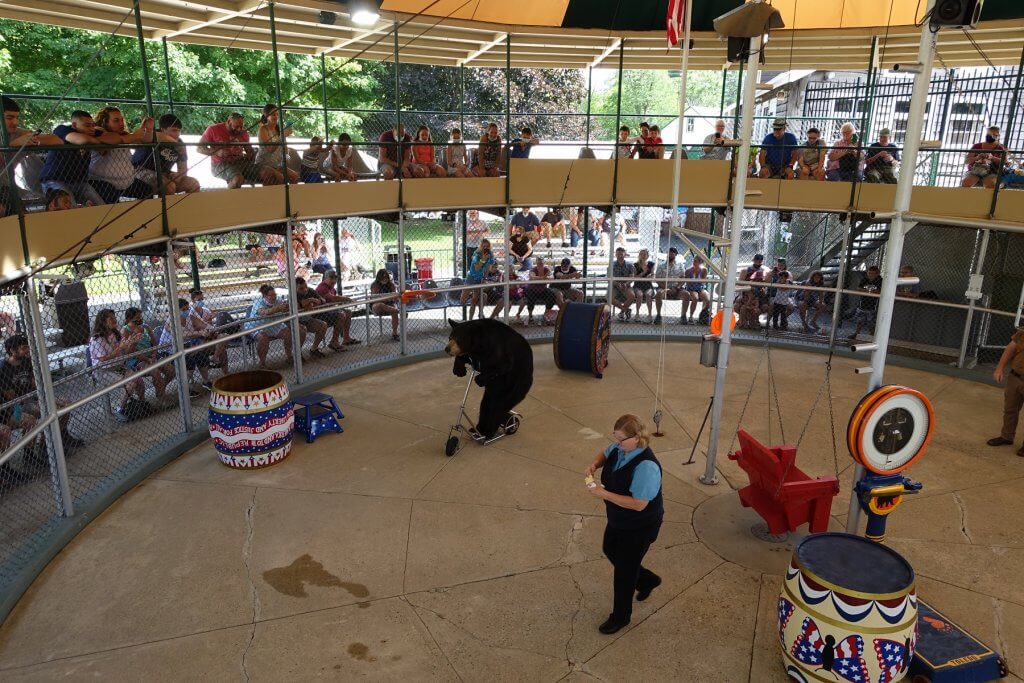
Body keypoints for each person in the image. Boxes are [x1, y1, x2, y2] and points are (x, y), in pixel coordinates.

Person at [585, 413, 663, 635]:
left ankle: (621, 617)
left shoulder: (646, 467)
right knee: (609, 549)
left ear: (636, 438)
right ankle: (648, 580)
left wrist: (603, 493)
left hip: (640, 525)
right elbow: (605, 453)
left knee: (624, 574)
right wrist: (594, 465)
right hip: (620, 519)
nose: (617, 444)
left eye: (621, 440)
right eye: (616, 438)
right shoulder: (620, 449)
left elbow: (639, 504)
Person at [40, 110, 148, 207]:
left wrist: (94, 140)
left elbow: (116, 138)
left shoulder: (92, 133)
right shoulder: (62, 129)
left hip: (79, 182)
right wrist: (97, 141)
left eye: (92, 125)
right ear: (74, 125)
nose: (91, 128)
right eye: (87, 125)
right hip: (55, 179)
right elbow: (81, 140)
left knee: (101, 206)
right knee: (69, 207)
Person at [0, 334, 83, 451]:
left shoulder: (27, 361)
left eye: (27, 347)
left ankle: (58, 439)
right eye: (24, 348)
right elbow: (11, 397)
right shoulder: (4, 368)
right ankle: (45, 448)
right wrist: (38, 401)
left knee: (65, 403)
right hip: (17, 406)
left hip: (32, 398)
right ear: (12, 350)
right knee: (46, 410)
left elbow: (35, 385)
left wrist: (44, 398)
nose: (27, 350)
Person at [87, 106, 158, 203]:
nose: (121, 123)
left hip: (127, 181)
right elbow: (107, 144)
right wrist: (134, 136)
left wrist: (148, 130)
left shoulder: (124, 135)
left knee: (147, 191)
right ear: (105, 122)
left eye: (121, 120)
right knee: (111, 198)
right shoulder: (98, 132)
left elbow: (143, 142)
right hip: (103, 182)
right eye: (116, 120)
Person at [90, 308, 147, 420]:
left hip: (118, 366)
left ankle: (142, 404)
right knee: (131, 383)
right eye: (110, 318)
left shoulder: (114, 333)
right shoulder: (97, 338)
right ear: (103, 321)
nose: (114, 320)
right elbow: (103, 359)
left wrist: (130, 343)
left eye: (114, 317)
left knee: (139, 381)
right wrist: (120, 348)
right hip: (103, 371)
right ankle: (120, 409)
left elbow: (123, 352)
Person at [2, 97, 62, 200]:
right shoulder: (17, 137)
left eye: (17, 117)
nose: (15, 122)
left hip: (8, 189)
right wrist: (14, 144)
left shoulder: (18, 133)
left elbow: (57, 140)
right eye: (9, 118)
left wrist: (34, 139)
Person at [131, 113, 199, 196]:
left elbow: (183, 168)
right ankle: (165, 208)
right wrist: (173, 141)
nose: (178, 134)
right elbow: (146, 136)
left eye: (179, 130)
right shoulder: (154, 135)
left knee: (193, 184)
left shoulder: (180, 144)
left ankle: (190, 208)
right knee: (169, 186)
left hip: (164, 173)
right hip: (139, 171)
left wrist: (178, 175)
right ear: (163, 129)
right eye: (174, 130)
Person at [244, 284, 305, 368]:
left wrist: (286, 307)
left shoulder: (278, 300)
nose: (274, 297)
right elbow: (264, 312)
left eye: (275, 294)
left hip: (274, 324)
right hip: (257, 326)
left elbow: (284, 309)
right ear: (265, 296)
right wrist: (278, 308)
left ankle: (289, 357)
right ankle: (262, 363)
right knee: (263, 338)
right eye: (271, 295)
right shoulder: (259, 302)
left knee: (288, 333)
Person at [197, 113, 264, 189]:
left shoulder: (243, 133)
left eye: (241, 127)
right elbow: (199, 148)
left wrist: (251, 153)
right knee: (237, 179)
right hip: (219, 164)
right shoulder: (213, 129)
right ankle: (227, 199)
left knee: (267, 173)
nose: (239, 129)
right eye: (236, 126)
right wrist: (217, 152)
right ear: (229, 121)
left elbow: (249, 152)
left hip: (241, 162)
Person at [121, 307, 172, 404]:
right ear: (129, 319)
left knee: (171, 371)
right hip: (136, 360)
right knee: (156, 373)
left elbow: (154, 343)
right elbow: (130, 351)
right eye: (137, 318)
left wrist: (153, 355)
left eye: (140, 317)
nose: (140, 319)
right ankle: (162, 396)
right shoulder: (126, 330)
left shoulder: (145, 327)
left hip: (150, 357)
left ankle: (160, 389)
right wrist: (146, 359)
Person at [987, 325, 1024, 457]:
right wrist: (999, 368)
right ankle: (1007, 436)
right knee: (1010, 409)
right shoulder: (1022, 332)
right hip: (1016, 377)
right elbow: (1011, 348)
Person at [315, 269, 361, 346]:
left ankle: (346, 338)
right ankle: (334, 341)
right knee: (341, 314)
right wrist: (347, 299)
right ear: (325, 278)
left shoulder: (332, 288)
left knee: (348, 312)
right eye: (331, 278)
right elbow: (333, 298)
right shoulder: (322, 287)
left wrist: (344, 303)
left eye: (335, 278)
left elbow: (335, 302)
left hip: (329, 312)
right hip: (320, 314)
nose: (334, 280)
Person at [255, 104, 298, 185]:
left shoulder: (279, 129)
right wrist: (282, 136)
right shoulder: (263, 129)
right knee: (279, 178)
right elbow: (270, 149)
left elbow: (285, 149)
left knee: (294, 176)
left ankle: (290, 196)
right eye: (273, 114)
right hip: (264, 164)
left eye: (277, 114)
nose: (276, 116)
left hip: (277, 164)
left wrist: (286, 157)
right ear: (266, 115)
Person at [189, 289, 229, 373]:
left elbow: (211, 325)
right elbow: (194, 328)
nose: (201, 301)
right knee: (222, 350)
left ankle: (215, 358)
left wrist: (207, 325)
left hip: (209, 337)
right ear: (193, 300)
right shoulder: (190, 312)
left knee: (224, 337)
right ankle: (215, 358)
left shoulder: (206, 310)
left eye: (202, 299)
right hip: (198, 339)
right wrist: (205, 326)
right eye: (199, 300)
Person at [293, 277, 333, 356]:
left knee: (323, 325)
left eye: (305, 287)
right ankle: (297, 354)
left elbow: (322, 300)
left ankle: (313, 349)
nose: (305, 290)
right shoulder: (293, 294)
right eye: (301, 288)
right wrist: (311, 300)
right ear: (295, 288)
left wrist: (314, 301)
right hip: (296, 321)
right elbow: (300, 305)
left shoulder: (310, 290)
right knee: (302, 330)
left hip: (307, 319)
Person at [518, 256, 557, 325]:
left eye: (541, 262)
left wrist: (539, 278)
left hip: (543, 289)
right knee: (530, 297)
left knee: (552, 295)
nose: (540, 263)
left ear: (544, 262)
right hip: (532, 289)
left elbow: (551, 278)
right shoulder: (533, 269)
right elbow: (533, 278)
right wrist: (544, 277)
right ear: (536, 262)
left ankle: (546, 314)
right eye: (539, 262)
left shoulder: (546, 269)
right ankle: (530, 315)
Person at [463, 239, 495, 320]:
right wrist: (483, 259)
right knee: (462, 301)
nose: (486, 248)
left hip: (479, 279)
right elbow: (477, 268)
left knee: (474, 300)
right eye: (484, 246)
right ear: (481, 246)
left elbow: (488, 267)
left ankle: (470, 319)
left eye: (487, 246)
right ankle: (469, 295)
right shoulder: (476, 254)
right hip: (471, 278)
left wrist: (484, 277)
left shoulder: (490, 254)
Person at [849, 265, 882, 340]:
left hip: (874, 305)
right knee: (860, 320)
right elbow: (858, 288)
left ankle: (872, 336)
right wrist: (868, 291)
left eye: (873, 274)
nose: (871, 275)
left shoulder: (880, 280)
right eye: (869, 273)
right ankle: (857, 334)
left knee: (871, 322)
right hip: (863, 303)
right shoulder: (865, 279)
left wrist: (868, 291)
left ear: (877, 274)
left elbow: (879, 291)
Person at [654, 247, 685, 325]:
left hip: (676, 288)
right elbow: (657, 278)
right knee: (658, 294)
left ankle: (683, 316)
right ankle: (658, 315)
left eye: (672, 254)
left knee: (687, 295)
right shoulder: (661, 265)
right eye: (669, 253)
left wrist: (677, 287)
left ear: (675, 255)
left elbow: (683, 278)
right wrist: (665, 288)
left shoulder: (680, 265)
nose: (670, 255)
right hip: (664, 287)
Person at [370, 268, 401, 341]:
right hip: (377, 305)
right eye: (382, 277)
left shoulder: (391, 285)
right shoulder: (375, 285)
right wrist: (387, 298)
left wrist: (389, 298)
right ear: (379, 278)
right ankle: (399, 311)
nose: (385, 279)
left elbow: (395, 297)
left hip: (390, 304)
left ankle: (394, 334)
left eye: (386, 277)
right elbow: (376, 299)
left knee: (394, 311)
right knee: (381, 305)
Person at [682, 253, 710, 324]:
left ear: (701, 262)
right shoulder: (688, 270)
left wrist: (696, 281)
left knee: (708, 299)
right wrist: (697, 281)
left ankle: (703, 316)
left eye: (696, 261)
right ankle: (691, 316)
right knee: (695, 298)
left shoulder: (704, 270)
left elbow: (703, 283)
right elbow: (688, 283)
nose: (694, 263)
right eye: (694, 261)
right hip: (691, 288)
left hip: (700, 288)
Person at [610, 247, 635, 321]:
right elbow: (609, 277)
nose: (620, 256)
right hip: (614, 285)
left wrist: (626, 284)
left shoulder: (630, 265)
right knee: (608, 297)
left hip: (626, 286)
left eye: (621, 254)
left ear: (625, 255)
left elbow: (632, 277)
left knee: (632, 296)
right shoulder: (612, 265)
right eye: (618, 254)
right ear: (615, 255)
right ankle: (626, 310)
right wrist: (617, 284)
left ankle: (622, 312)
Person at [632, 249, 655, 323]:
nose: (643, 255)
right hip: (638, 285)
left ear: (647, 256)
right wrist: (643, 273)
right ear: (639, 255)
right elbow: (635, 277)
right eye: (641, 254)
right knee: (640, 294)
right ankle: (637, 314)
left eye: (645, 254)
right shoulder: (635, 265)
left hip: (648, 285)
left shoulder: (651, 264)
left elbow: (653, 275)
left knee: (648, 294)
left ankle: (650, 315)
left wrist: (651, 275)